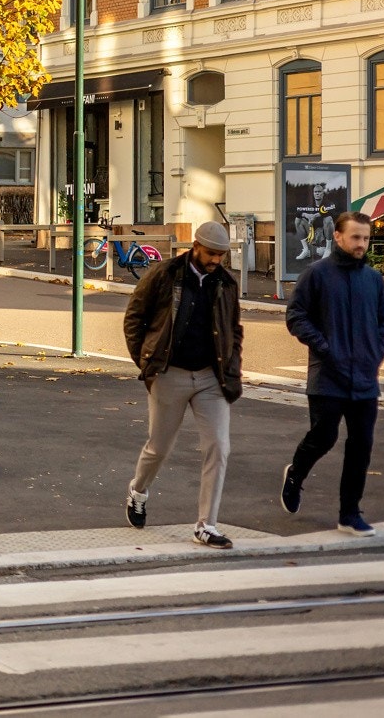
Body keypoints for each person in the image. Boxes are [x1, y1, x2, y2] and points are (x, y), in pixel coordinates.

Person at [121, 220, 243, 550]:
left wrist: (232, 371)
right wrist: (146, 363)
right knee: (159, 447)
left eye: (221, 255)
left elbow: (234, 331)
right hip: (169, 373)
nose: (216, 260)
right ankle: (138, 490)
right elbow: (134, 317)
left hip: (210, 377)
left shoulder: (226, 284)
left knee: (218, 446)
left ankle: (207, 525)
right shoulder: (165, 274)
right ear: (195, 247)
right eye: (211, 253)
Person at [281, 211, 384, 537]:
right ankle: (296, 473)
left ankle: (349, 514)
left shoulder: (372, 279)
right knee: (324, 437)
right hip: (327, 376)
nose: (361, 244)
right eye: (355, 237)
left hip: (365, 378)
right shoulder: (316, 274)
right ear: (338, 237)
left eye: (365, 238)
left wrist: (377, 352)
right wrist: (324, 347)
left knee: (361, 446)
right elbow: (296, 316)